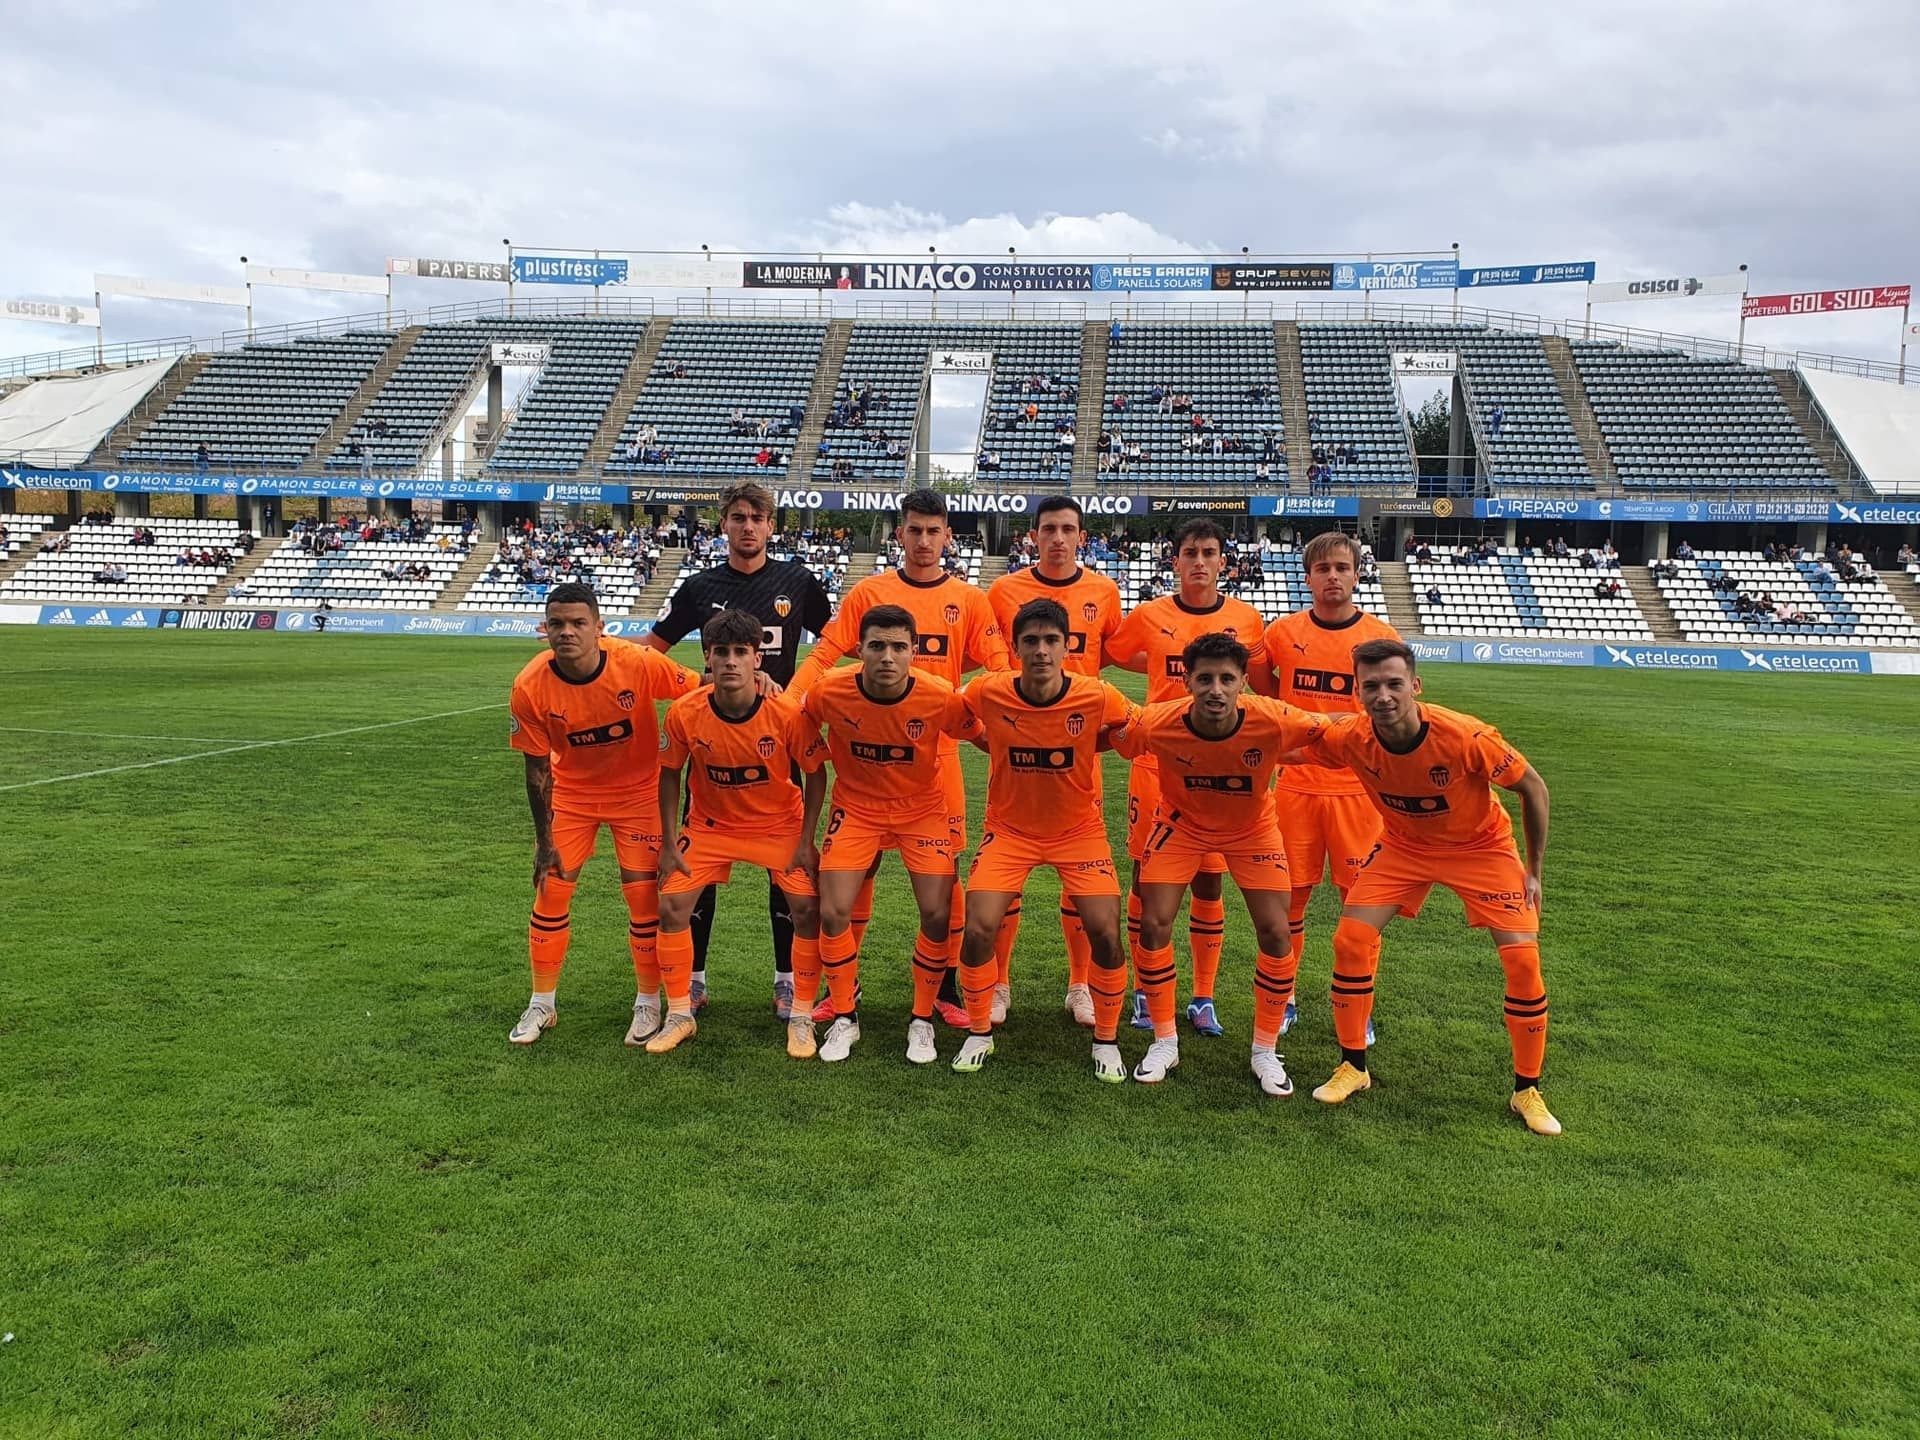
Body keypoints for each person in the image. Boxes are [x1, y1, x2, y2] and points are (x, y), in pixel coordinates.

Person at [1285, 639, 1561, 1135]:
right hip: (1403, 848)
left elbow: (1533, 787)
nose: (1383, 695)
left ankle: (1527, 1090)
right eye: (1371, 686)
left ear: (1415, 685)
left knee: (1522, 959)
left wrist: (1534, 868)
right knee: (1350, 940)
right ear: (1357, 691)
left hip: (1482, 849)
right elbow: (1291, 742)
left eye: (1394, 684)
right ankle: (1353, 1066)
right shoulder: (1352, 737)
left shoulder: (1466, 737)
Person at [793, 488, 1010, 1027]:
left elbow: (999, 668)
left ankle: (947, 989)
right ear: (900, 534)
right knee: (852, 877)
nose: (923, 541)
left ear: (947, 537)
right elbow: (823, 654)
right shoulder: (870, 593)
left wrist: (1015, 725)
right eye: (914, 530)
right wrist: (783, 706)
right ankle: (842, 985)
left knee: (944, 887)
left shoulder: (969, 599)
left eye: (933, 531)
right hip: (867, 767)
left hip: (935, 765)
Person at [644, 481, 835, 1018]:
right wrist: (597, 645)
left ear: (771, 526)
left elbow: (835, 646)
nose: (748, 526)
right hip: (712, 743)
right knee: (695, 872)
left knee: (788, 873)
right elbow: (653, 654)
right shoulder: (700, 586)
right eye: (738, 517)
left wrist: (794, 695)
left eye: (757, 517)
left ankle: (785, 981)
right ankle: (695, 980)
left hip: (778, 741)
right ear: (723, 524)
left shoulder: (797, 582)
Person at [1112, 634, 1328, 1094]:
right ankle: (1164, 1040)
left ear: (1244, 683)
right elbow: (1118, 740)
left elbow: (1331, 733)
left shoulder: (1273, 717)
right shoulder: (1157, 722)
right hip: (1180, 824)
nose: (1215, 689)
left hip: (1252, 829)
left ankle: (1265, 1050)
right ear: (1186, 680)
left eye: (1227, 679)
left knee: (1276, 930)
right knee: (1153, 922)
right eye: (1205, 678)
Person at [504, 582, 701, 1047]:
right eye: (557, 624)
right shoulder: (529, 686)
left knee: (643, 901)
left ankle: (648, 1003)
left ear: (600, 628)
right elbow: (536, 773)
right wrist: (544, 838)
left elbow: (698, 691)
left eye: (578, 623)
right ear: (544, 629)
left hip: (638, 798)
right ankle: (542, 1004)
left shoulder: (637, 663)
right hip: (572, 797)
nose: (566, 632)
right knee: (550, 891)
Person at [952, 598, 1137, 1080]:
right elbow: (958, 715)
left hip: (1079, 831)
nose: (1040, 650)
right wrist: (991, 743)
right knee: (977, 928)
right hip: (1009, 831)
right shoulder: (990, 690)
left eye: (1050, 640)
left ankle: (1107, 1041)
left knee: (1106, 932)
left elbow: (1131, 729)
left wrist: (1088, 744)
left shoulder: (1097, 695)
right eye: (1030, 641)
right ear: (1014, 648)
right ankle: (978, 1032)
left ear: (1066, 646)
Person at [1106, 519, 1272, 1036]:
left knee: (1208, 878)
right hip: (1157, 764)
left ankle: (1203, 997)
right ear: (1173, 561)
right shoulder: (1151, 615)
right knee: (1145, 880)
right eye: (1189, 553)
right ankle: (1144, 989)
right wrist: (1161, 671)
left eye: (1209, 552)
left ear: (1224, 560)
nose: (1199, 561)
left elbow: (1259, 684)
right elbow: (1116, 654)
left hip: (1219, 772)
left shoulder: (1247, 619)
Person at [802, 605, 980, 1064]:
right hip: (856, 809)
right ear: (859, 649)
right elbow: (798, 722)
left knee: (937, 913)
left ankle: (922, 1020)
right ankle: (845, 1014)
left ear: (914, 652)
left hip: (922, 810)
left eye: (899, 647)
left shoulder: (940, 696)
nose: (887, 656)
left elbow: (981, 733)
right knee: (833, 909)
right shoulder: (829, 692)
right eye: (877, 646)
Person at [651, 610, 828, 1055]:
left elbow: (816, 773)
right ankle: (678, 1014)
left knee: (807, 911)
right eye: (721, 653)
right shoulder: (685, 713)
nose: (730, 661)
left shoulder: (785, 712)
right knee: (672, 905)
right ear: (707, 659)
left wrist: (806, 840)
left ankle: (802, 1017)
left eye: (740, 653)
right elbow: (669, 774)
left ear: (757, 658)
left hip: (778, 825)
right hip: (711, 827)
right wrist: (670, 842)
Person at [985, 496, 1125, 1026]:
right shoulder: (1004, 591)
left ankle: (1080, 985)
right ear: (1034, 535)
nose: (1059, 539)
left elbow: (1112, 654)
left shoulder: (1104, 591)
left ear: (1082, 536)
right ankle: (997, 984)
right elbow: (994, 662)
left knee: (1080, 878)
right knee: (1005, 876)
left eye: (1069, 530)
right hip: (1018, 750)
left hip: (1077, 754)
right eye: (1049, 530)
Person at [1257, 531, 1401, 1040]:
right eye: (1323, 569)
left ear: (1357, 573)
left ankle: (1357, 1005)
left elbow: (1397, 712)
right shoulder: (1282, 633)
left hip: (1360, 793)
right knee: (1288, 899)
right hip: (1295, 787)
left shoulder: (1381, 637)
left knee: (1360, 905)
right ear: (1308, 576)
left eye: (1342, 567)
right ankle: (1286, 994)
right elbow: (1265, 694)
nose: (1333, 577)